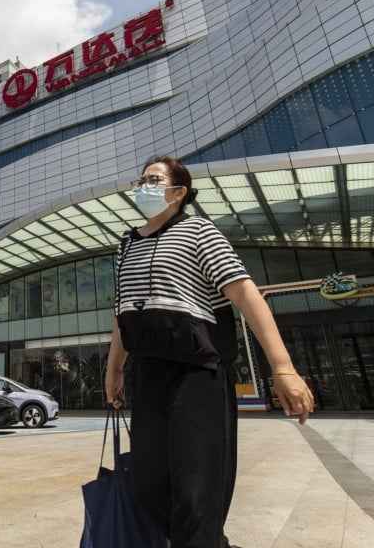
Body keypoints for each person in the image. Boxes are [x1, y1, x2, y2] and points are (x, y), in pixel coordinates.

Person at [104, 156, 314, 548]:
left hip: (196, 373)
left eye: (154, 180)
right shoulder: (126, 245)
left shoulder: (199, 231)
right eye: (142, 180)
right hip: (146, 375)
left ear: (178, 192)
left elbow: (245, 293)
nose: (144, 187)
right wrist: (114, 368)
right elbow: (122, 312)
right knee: (148, 485)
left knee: (196, 491)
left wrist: (283, 367)